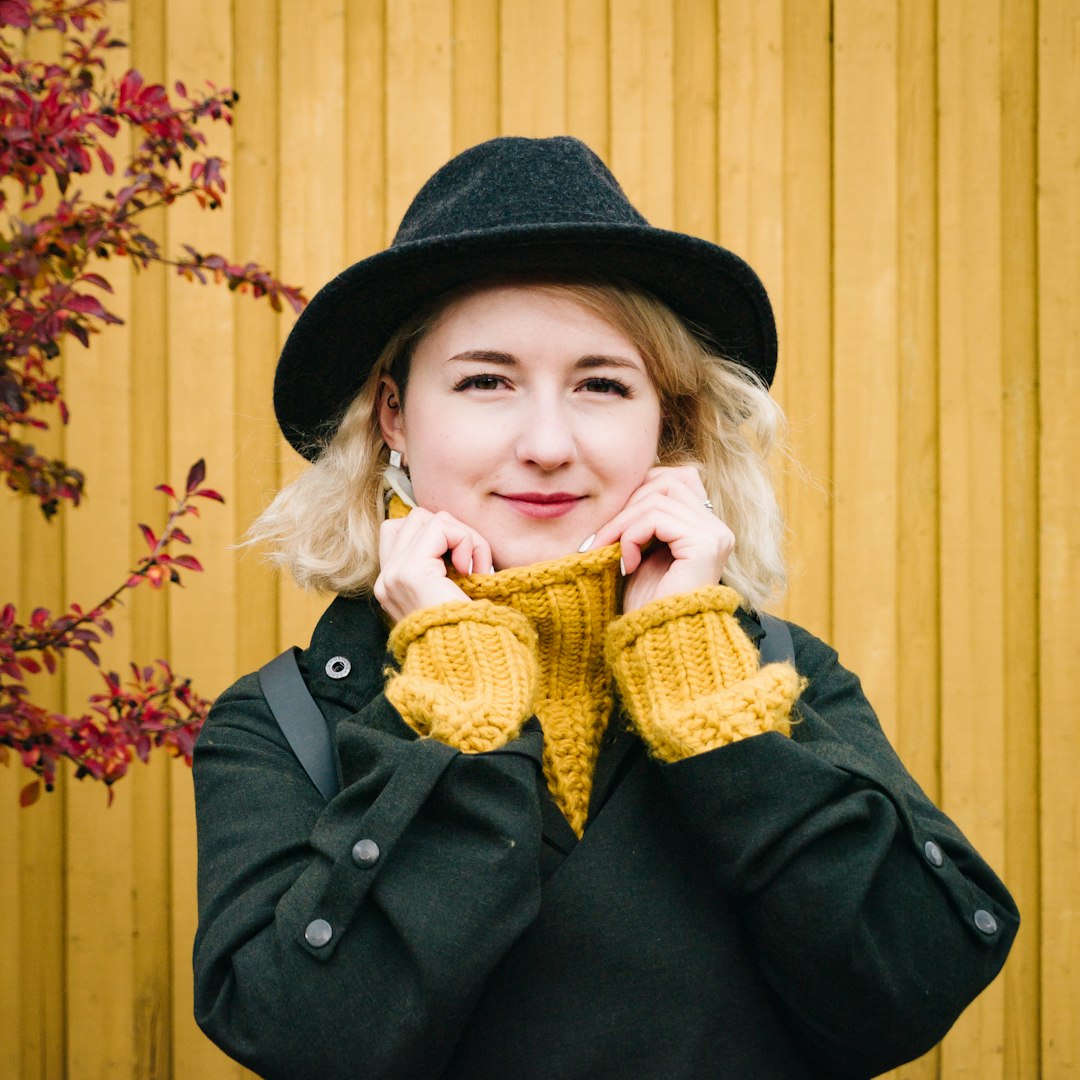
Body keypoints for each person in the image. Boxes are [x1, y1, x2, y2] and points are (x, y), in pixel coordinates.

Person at [192, 136, 1017, 1080]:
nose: (547, 442)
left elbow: (909, 987)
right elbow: (304, 1038)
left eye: (601, 385)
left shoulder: (782, 677)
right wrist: (463, 707)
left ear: (663, 426)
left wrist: (699, 695)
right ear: (394, 417)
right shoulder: (284, 723)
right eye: (485, 381)